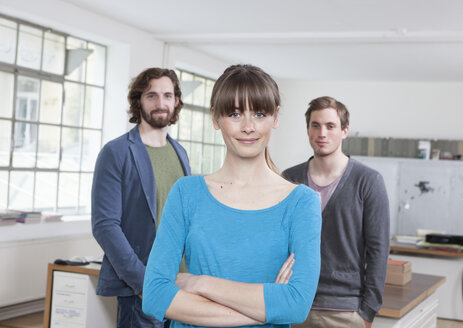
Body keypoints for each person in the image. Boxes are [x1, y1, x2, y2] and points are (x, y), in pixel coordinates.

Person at [142, 64, 322, 328]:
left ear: (276, 117)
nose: (248, 127)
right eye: (235, 114)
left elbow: (296, 304)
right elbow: (155, 296)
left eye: (259, 114)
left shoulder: (301, 203)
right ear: (215, 118)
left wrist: (201, 283)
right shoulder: (186, 193)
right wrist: (267, 307)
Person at [92, 67, 191, 328]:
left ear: (176, 101)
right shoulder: (116, 152)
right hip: (142, 288)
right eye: (152, 96)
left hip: (181, 283)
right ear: (139, 101)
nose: (161, 103)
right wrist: (143, 283)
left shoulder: (180, 153)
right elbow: (105, 226)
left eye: (167, 95)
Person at [283, 96, 390, 328]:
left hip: (344, 310)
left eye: (331, 126)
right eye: (315, 125)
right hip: (294, 304)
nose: (322, 133)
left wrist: (367, 311)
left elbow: (378, 251)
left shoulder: (368, 181)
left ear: (344, 131)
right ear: (308, 129)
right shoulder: (290, 179)